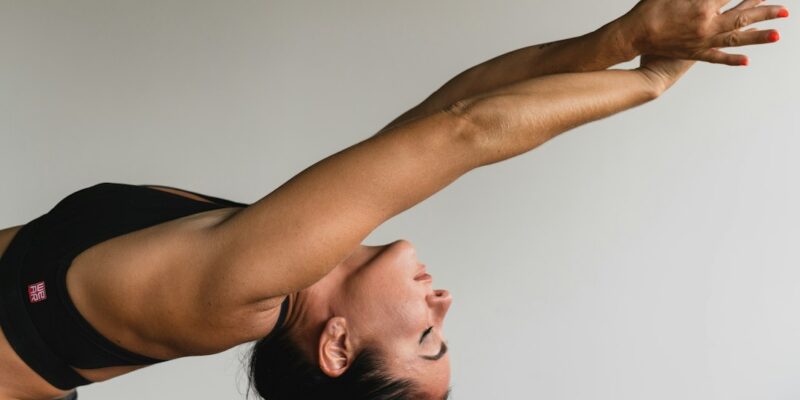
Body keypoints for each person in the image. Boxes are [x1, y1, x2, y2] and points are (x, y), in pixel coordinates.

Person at [0, 0, 788, 399]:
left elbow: (464, 133)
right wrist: (619, 40)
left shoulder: (240, 290)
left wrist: (649, 83)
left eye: (429, 340)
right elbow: (449, 109)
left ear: (337, 348)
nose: (443, 303)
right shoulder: (284, 260)